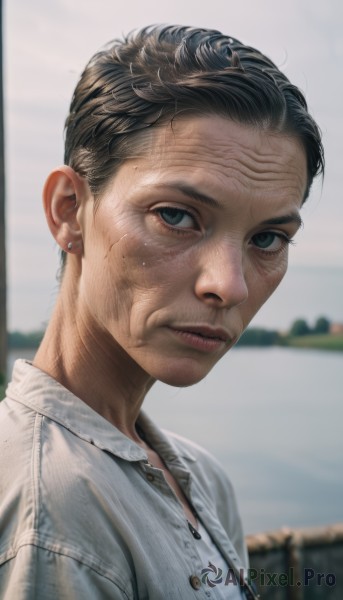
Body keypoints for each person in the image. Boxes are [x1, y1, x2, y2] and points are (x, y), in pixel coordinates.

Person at [0, 24, 324, 600]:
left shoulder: (200, 479)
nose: (228, 285)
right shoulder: (53, 514)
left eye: (269, 238)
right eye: (176, 216)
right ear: (70, 211)